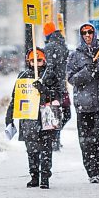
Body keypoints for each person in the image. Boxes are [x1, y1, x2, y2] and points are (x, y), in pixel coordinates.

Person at [66, 23, 99, 183]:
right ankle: (92, 171)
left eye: (90, 32)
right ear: (81, 35)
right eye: (84, 33)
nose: (87, 35)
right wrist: (86, 71)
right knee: (86, 139)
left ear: (94, 33)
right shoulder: (74, 56)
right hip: (83, 104)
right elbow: (71, 79)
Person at [5, 48, 60, 189]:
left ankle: (45, 177)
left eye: (39, 60)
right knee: (31, 149)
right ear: (28, 61)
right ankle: (34, 175)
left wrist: (43, 90)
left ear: (44, 60)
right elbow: (15, 98)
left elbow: (57, 95)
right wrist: (9, 118)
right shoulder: (22, 76)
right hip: (28, 117)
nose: (36, 63)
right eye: (32, 61)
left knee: (46, 148)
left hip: (46, 116)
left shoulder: (51, 75)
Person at [42, 22, 71, 151]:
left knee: (53, 112)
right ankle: (56, 138)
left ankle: (53, 139)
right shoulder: (62, 43)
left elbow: (49, 67)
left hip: (53, 86)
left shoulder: (49, 47)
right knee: (66, 113)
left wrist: (44, 81)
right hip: (62, 85)